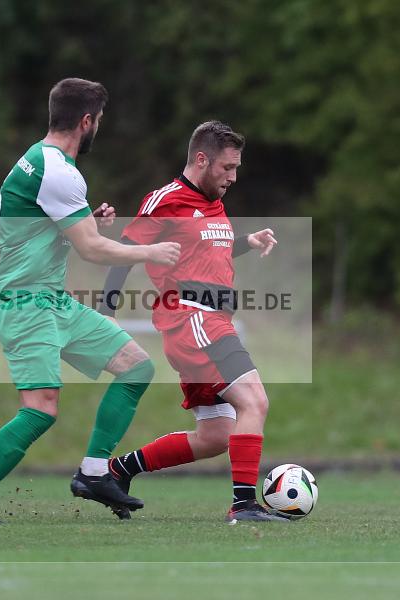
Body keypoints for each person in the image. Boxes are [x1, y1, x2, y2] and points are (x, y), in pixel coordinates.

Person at [0, 78, 180, 524]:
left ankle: (94, 472)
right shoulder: (58, 169)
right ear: (86, 121)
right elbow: (91, 250)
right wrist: (151, 251)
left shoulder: (38, 162)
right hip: (26, 305)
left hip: (52, 302)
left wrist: (86, 221)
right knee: (41, 410)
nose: (99, 130)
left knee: (136, 366)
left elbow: (39, 229)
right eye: (99, 122)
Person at [97, 120, 287, 522]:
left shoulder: (213, 199)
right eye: (227, 168)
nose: (233, 178)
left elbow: (202, 256)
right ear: (201, 159)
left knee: (216, 436)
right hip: (193, 319)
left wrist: (246, 245)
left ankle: (118, 471)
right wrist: (105, 313)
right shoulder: (166, 199)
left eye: (236, 169)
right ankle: (244, 506)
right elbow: (124, 250)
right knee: (255, 401)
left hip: (207, 320)